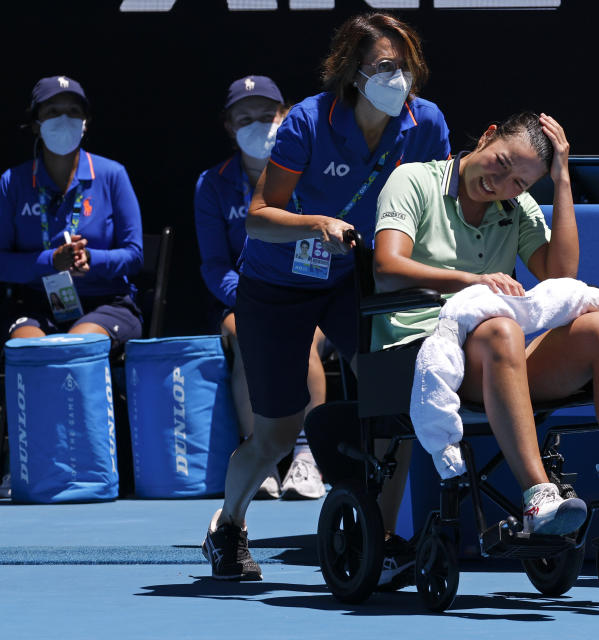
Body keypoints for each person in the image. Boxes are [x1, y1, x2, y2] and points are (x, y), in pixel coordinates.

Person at [201, 13, 452, 582]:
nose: (400, 78)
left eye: (406, 66)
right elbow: (261, 219)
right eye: (386, 66)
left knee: (398, 402)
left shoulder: (424, 122)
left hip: (356, 282)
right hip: (278, 287)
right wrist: (315, 224)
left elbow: (437, 207)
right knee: (276, 433)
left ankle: (381, 542)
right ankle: (228, 528)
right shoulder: (308, 124)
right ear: (352, 73)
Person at [372, 111, 599, 537]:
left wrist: (562, 180)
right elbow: (386, 266)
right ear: (488, 136)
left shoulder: (516, 206)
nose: (501, 183)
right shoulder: (414, 180)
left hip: (494, 356)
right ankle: (537, 497)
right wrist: (472, 282)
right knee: (501, 328)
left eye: (519, 182)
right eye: (502, 163)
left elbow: (561, 276)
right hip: (418, 352)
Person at [194, 75, 328, 501]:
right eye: (244, 118)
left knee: (302, 339)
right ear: (230, 127)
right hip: (248, 297)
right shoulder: (212, 183)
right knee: (243, 332)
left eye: (266, 115)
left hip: (311, 292)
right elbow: (215, 265)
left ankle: (308, 456)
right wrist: (254, 300)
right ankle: (264, 457)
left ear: (284, 116)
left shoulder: (311, 169)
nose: (257, 125)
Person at [0, 75, 143, 350]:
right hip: (36, 306)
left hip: (107, 303)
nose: (64, 119)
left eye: (73, 112)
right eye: (53, 111)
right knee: (35, 353)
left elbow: (134, 255)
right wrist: (50, 261)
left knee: (75, 348)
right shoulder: (12, 182)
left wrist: (91, 258)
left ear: (85, 123)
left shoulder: (112, 174)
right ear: (35, 124)